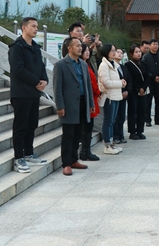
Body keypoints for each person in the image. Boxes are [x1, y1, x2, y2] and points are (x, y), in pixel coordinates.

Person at [8, 17, 49, 173]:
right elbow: (18, 70)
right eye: (33, 26)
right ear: (24, 28)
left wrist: (44, 80)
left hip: (34, 93)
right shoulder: (16, 47)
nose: (36, 29)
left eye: (37, 26)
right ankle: (19, 158)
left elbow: (41, 66)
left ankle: (29, 153)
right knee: (21, 126)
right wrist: (36, 81)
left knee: (32, 124)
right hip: (21, 93)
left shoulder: (35, 47)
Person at [53, 37, 93, 176]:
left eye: (80, 45)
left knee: (78, 134)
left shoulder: (83, 64)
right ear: (69, 48)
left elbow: (87, 85)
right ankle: (66, 164)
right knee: (68, 135)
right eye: (77, 46)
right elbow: (57, 87)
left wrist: (90, 103)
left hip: (82, 103)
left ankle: (74, 159)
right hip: (68, 104)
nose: (80, 48)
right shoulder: (60, 65)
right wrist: (60, 106)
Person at [98, 44, 126, 154]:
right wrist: (120, 83)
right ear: (106, 52)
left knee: (112, 121)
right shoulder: (104, 65)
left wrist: (122, 82)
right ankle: (107, 144)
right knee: (108, 121)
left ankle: (112, 143)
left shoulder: (113, 64)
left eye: (115, 50)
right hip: (109, 96)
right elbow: (106, 82)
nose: (114, 53)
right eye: (112, 51)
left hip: (116, 95)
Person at [80, 43, 101, 161]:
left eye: (88, 50)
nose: (87, 52)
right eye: (85, 50)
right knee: (86, 126)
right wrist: (98, 91)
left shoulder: (87, 64)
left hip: (92, 98)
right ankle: (85, 151)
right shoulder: (82, 66)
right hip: (89, 97)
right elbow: (91, 83)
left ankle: (86, 150)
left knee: (89, 126)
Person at [125, 44, 148, 140]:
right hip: (133, 91)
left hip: (143, 91)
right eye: (136, 52)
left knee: (141, 111)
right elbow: (130, 79)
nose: (138, 54)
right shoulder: (128, 65)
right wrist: (138, 88)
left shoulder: (143, 64)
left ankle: (140, 130)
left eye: (139, 52)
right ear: (131, 54)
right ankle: (132, 131)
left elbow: (147, 77)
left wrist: (144, 87)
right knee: (133, 111)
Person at [142, 39, 159, 127]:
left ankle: (158, 119)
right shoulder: (146, 57)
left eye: (157, 44)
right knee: (148, 102)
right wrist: (153, 77)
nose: (156, 46)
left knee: (158, 101)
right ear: (150, 46)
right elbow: (144, 70)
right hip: (149, 82)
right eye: (154, 44)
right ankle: (147, 119)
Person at [113, 48, 131, 144]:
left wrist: (127, 91)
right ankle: (115, 136)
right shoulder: (112, 67)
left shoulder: (123, 67)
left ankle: (121, 135)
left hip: (124, 95)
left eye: (121, 53)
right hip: (115, 94)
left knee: (122, 116)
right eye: (117, 52)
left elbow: (128, 80)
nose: (120, 54)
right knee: (115, 116)